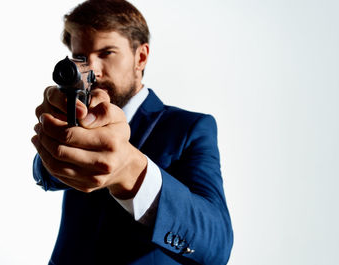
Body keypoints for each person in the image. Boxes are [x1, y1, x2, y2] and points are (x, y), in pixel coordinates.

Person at [31, 0, 233, 264]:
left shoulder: (189, 128)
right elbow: (45, 176)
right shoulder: (77, 115)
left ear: (141, 57)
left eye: (106, 53)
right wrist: (57, 132)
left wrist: (132, 172)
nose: (93, 70)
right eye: (81, 58)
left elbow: (216, 245)